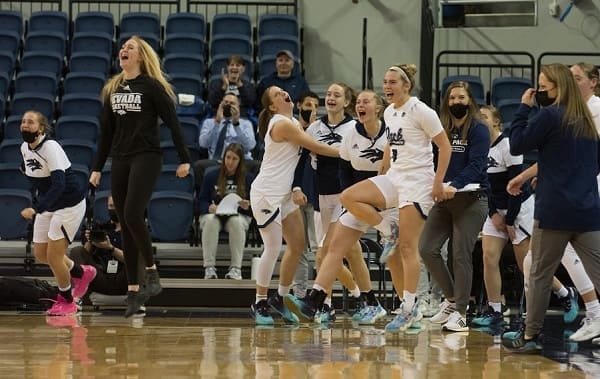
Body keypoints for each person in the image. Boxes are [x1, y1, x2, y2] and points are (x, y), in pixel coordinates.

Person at [285, 65, 451, 333]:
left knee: (405, 251)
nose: (387, 86)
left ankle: (409, 306)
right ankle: (314, 301)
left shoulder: (421, 110)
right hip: (394, 180)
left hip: (417, 183)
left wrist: (438, 182)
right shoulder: (390, 112)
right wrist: (384, 169)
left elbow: (444, 146)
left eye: (393, 82)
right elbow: (391, 144)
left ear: (406, 86)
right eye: (384, 82)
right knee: (343, 216)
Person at [89, 36, 192, 318]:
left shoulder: (152, 86)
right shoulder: (113, 87)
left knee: (133, 213)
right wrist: (97, 167)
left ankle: (152, 271)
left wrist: (184, 158)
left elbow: (172, 122)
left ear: (141, 55)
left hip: (147, 155)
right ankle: (134, 291)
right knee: (125, 220)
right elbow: (106, 133)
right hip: (120, 158)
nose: (124, 49)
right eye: (122, 47)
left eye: (130, 47)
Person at [502, 63, 600, 353]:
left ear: (558, 88)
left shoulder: (550, 115)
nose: (540, 92)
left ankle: (531, 336)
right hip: (587, 210)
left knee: (540, 275)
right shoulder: (586, 120)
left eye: (544, 87)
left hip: (554, 212)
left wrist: (523, 108)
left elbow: (517, 144)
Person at [250, 86, 338, 326]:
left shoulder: (293, 123)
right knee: (273, 247)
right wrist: (346, 153)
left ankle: (279, 297)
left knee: (298, 245)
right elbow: (316, 147)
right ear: (272, 106)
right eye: (277, 94)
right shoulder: (280, 123)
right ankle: (259, 302)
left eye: (283, 91)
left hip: (285, 195)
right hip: (267, 193)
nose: (283, 93)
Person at [420, 80, 490, 333]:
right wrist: (436, 184)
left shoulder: (479, 129)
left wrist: (454, 184)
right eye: (451, 98)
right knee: (427, 248)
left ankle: (461, 313)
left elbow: (478, 165)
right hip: (445, 198)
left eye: (461, 98)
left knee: (460, 254)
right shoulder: (442, 129)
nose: (456, 103)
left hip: (471, 199)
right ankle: (452, 300)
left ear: (470, 101)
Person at [292, 82, 360, 322]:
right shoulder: (314, 128)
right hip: (322, 196)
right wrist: (297, 186)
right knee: (340, 254)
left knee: (325, 253)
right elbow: (302, 159)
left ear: (347, 102)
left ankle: (323, 304)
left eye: (337, 95)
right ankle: (356, 297)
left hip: (346, 196)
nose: (330, 98)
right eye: (329, 94)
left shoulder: (354, 127)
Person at [19, 110, 96, 316]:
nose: (25, 125)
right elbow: (35, 176)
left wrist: (37, 208)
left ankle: (67, 301)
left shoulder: (51, 147)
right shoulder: (24, 148)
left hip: (69, 204)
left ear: (41, 128)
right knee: (41, 254)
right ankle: (82, 273)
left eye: (31, 122)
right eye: (23, 122)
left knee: (54, 257)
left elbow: (59, 185)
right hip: (50, 204)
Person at [471, 105, 533, 328]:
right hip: (497, 208)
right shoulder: (478, 146)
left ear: (496, 122)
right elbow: (484, 185)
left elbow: (518, 186)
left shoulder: (507, 145)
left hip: (520, 208)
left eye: (484, 116)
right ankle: (495, 310)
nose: (479, 119)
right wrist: (494, 213)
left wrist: (509, 220)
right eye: (476, 117)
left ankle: (565, 293)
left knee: (525, 265)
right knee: (488, 257)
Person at [197, 143, 254, 280]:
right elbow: (201, 200)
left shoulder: (248, 178)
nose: (230, 162)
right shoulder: (211, 175)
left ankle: (236, 269)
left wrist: (247, 206)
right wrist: (208, 208)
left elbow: (255, 206)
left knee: (236, 222)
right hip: (214, 215)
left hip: (238, 215)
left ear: (240, 161)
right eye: (228, 157)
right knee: (210, 221)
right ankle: (209, 268)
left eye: (234, 159)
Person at [69, 194, 128, 296]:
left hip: (125, 278)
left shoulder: (133, 231)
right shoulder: (101, 229)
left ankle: (136, 295)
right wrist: (91, 241)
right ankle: (75, 296)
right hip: (101, 276)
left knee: (137, 258)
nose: (113, 209)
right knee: (77, 251)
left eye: (117, 206)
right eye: (111, 206)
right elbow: (84, 256)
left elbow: (133, 261)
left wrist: (111, 248)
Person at [195, 92, 257, 190]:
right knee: (199, 166)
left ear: (238, 107)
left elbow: (250, 146)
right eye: (225, 103)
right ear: (220, 105)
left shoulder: (245, 123)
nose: (228, 106)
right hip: (217, 161)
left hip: (242, 161)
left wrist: (236, 124)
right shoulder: (209, 122)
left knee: (257, 166)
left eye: (232, 103)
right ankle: (203, 199)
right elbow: (203, 144)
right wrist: (217, 122)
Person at [292, 91, 320, 299]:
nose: (311, 108)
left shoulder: (319, 130)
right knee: (297, 247)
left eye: (315, 106)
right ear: (299, 105)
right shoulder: (290, 127)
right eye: (308, 104)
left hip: (315, 194)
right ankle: (299, 294)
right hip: (292, 194)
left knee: (319, 246)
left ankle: (320, 295)